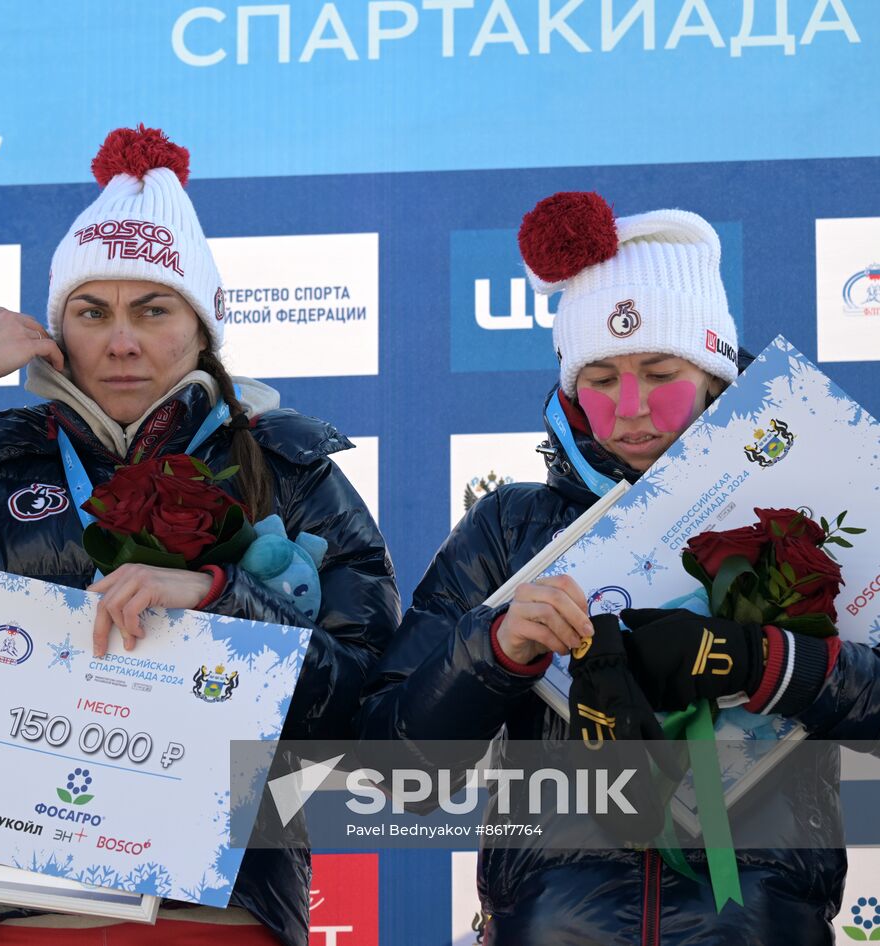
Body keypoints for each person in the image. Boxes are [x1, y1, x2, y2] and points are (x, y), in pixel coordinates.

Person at [0, 125, 400, 946]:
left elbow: (365, 708)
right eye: (92, 311)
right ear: (57, 329)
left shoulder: (287, 471)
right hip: (2, 913)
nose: (120, 340)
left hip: (210, 916)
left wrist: (224, 600)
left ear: (201, 326)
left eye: (152, 310)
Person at [360, 191, 863, 944]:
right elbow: (391, 772)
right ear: (568, 387)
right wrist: (494, 653)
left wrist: (767, 662)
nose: (632, 408)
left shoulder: (814, 504)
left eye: (661, 372)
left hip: (762, 923)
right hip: (551, 925)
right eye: (600, 379)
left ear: (717, 375)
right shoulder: (511, 527)